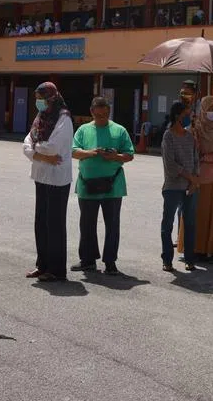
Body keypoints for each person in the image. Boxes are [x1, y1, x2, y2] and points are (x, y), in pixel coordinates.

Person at [71, 96, 135, 275]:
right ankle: (88, 260)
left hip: (113, 185)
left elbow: (129, 155)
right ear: (91, 112)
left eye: (105, 115)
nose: (101, 118)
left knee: (112, 226)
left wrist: (115, 156)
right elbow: (74, 152)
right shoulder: (83, 130)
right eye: (98, 115)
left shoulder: (119, 130)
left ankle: (110, 262)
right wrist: (92, 153)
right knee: (87, 224)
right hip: (87, 184)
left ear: (109, 112)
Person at [22, 82, 73, 282]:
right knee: (41, 223)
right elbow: (26, 144)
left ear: (51, 98)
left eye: (41, 98)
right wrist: (40, 154)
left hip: (57, 178)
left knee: (55, 224)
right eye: (37, 98)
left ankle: (57, 270)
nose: (39, 102)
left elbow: (53, 148)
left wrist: (36, 149)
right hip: (41, 175)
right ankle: (42, 265)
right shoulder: (41, 118)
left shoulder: (64, 118)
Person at [183, 96, 213, 260]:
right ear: (203, 110)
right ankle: (197, 247)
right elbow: (189, 151)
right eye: (210, 109)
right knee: (200, 213)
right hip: (200, 178)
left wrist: (206, 157)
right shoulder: (195, 128)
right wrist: (193, 136)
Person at [160, 103, 200, 272]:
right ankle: (167, 259)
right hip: (172, 186)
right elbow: (170, 165)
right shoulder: (168, 136)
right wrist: (189, 176)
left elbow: (196, 160)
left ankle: (190, 259)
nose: (189, 117)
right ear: (178, 115)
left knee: (190, 223)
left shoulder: (190, 137)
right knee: (167, 224)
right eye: (186, 114)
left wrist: (194, 180)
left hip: (190, 187)